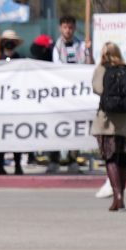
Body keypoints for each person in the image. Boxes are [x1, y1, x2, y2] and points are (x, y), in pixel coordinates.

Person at [92, 42, 126, 212]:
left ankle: (117, 196)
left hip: (107, 121)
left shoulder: (102, 69)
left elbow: (97, 88)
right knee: (122, 159)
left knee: (110, 158)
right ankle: (121, 195)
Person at [50, 15, 91, 173]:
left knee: (76, 126)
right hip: (61, 93)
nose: (68, 30)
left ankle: (73, 159)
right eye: (65, 27)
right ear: (61, 28)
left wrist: (88, 51)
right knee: (56, 126)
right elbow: (56, 69)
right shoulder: (56, 47)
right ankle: (54, 159)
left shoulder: (81, 45)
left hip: (77, 94)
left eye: (71, 27)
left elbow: (87, 66)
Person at [0, 30, 25, 175]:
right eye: (7, 42)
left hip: (15, 103)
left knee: (16, 136)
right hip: (0, 103)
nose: (9, 44)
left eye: (11, 42)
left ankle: (18, 165)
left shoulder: (20, 59)